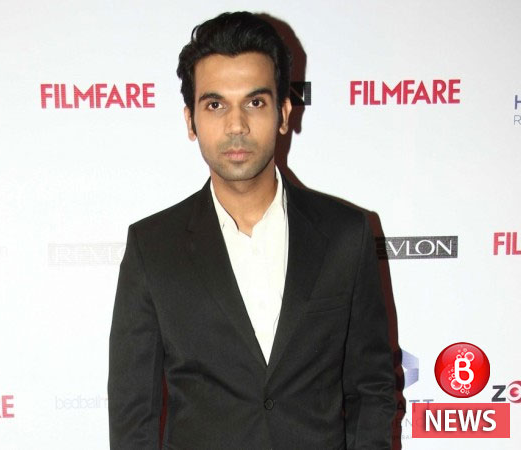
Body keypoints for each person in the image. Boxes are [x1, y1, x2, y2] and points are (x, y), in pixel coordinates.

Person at [108, 11, 394, 449]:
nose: (236, 125)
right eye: (215, 105)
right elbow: (134, 412)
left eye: (255, 103)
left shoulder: (345, 235)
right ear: (190, 121)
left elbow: (371, 389)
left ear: (283, 113)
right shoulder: (153, 246)